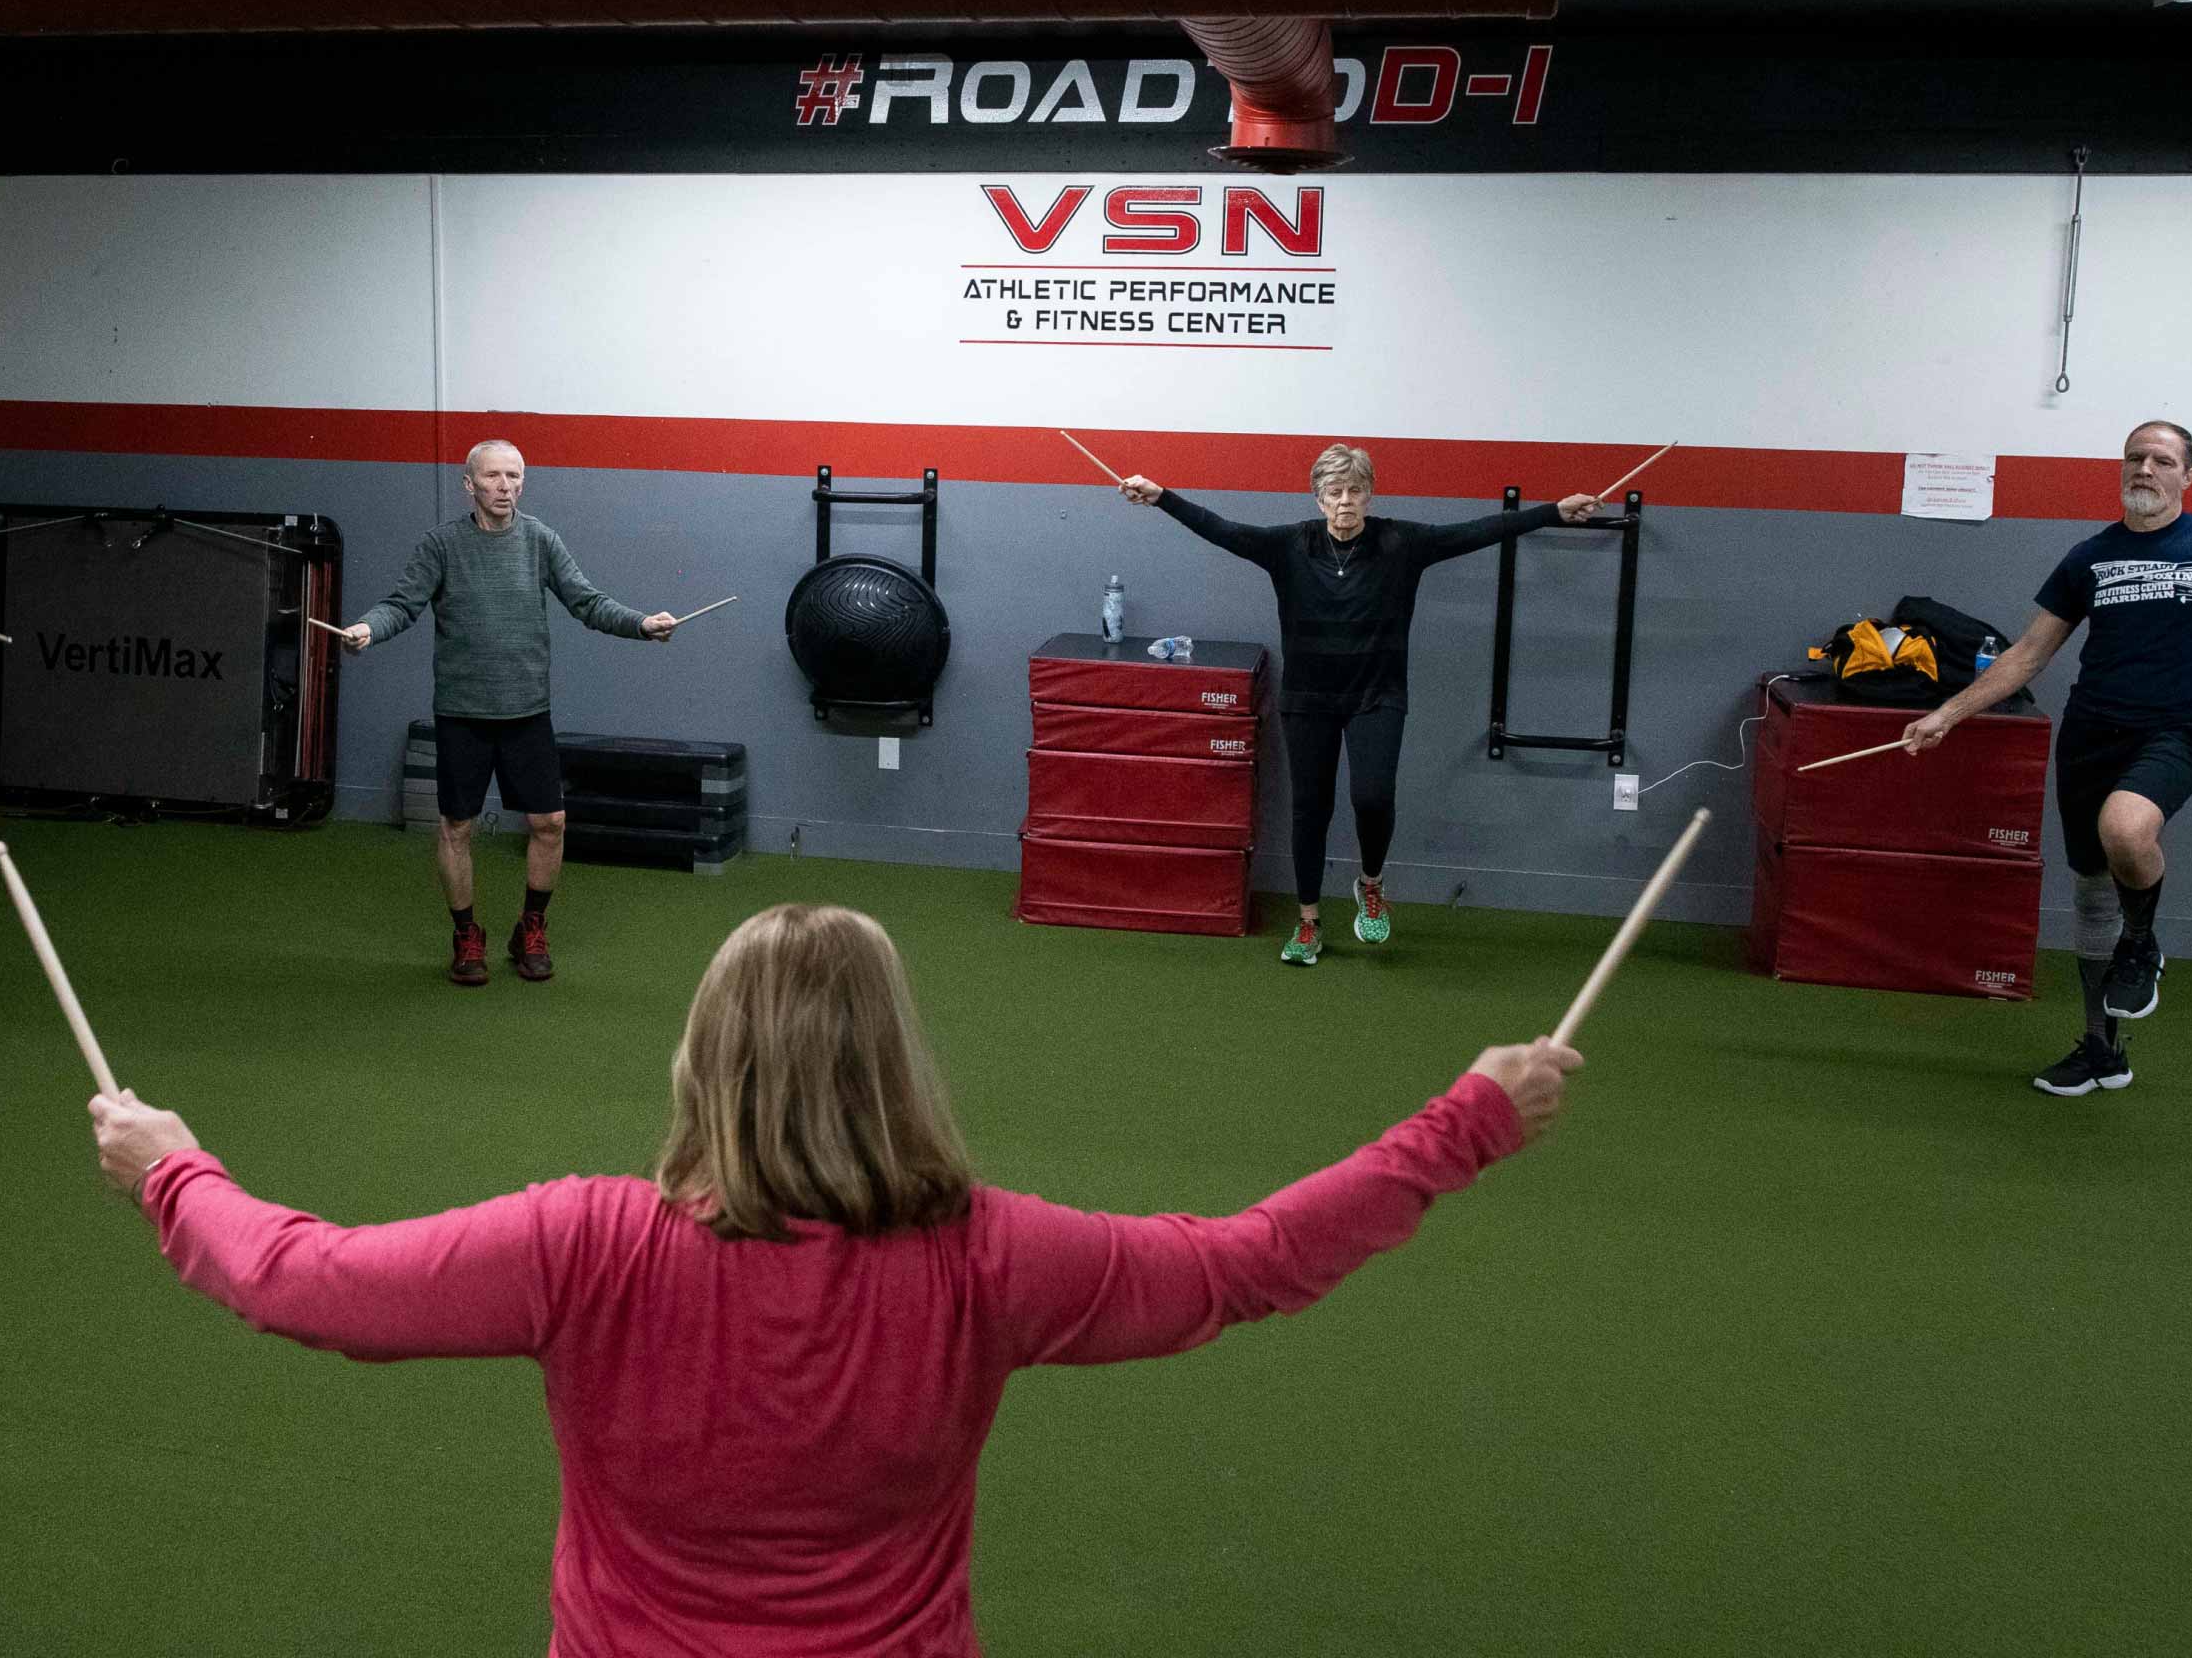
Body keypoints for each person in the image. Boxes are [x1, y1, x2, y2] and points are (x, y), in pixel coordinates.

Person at [87, 902, 1579, 1655]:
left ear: (704, 1057)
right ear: (896, 1062)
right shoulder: (990, 1254)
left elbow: (303, 1280)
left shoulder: (585, 1242)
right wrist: (1471, 1119)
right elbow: (1248, 1265)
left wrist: (171, 1164)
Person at [1902, 420, 2192, 1096]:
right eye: (2135, 457)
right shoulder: (2089, 556)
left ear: (2188, 475)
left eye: (2163, 459)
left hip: (2173, 732)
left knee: (2126, 831)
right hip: (2090, 735)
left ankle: (2144, 940)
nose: (2145, 469)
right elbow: (2029, 653)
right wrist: (1947, 714)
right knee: (2093, 894)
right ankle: (2102, 1050)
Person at [1118, 445, 1602, 964]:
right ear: (1319, 499)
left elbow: (1475, 532)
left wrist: (1553, 512)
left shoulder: (1402, 543)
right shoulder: (1290, 546)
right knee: (1311, 811)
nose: (1345, 501)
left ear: (1369, 495)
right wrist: (1161, 497)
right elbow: (1222, 529)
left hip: (1377, 695)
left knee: (1373, 798)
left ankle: (1371, 884)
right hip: (1308, 699)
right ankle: (1308, 924)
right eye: (1334, 492)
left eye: (1354, 491)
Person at [339, 440, 676, 986]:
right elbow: (400, 606)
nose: (504, 486)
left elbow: (587, 602)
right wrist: (367, 630)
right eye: (492, 476)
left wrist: (641, 623)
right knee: (456, 826)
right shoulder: (441, 546)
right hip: (462, 713)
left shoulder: (541, 540)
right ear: (468, 484)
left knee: (550, 823)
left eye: (513, 476)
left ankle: (531, 927)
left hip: (526, 712)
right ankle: (466, 936)